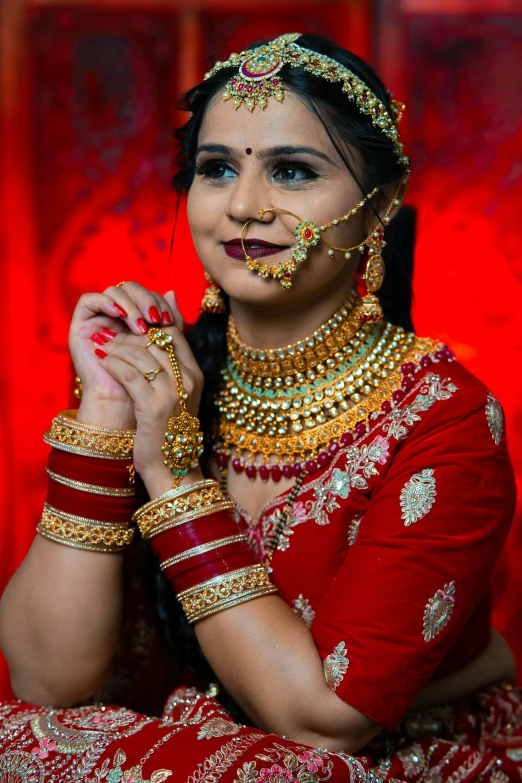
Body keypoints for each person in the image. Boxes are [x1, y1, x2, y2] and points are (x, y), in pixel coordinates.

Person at [0, 32, 519, 783]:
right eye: (217, 170)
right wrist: (107, 412)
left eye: (291, 170)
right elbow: (49, 684)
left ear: (380, 208)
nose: (245, 206)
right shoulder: (171, 375)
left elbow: (323, 722)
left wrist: (173, 473)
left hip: (384, 758)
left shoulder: (444, 419)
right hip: (208, 739)